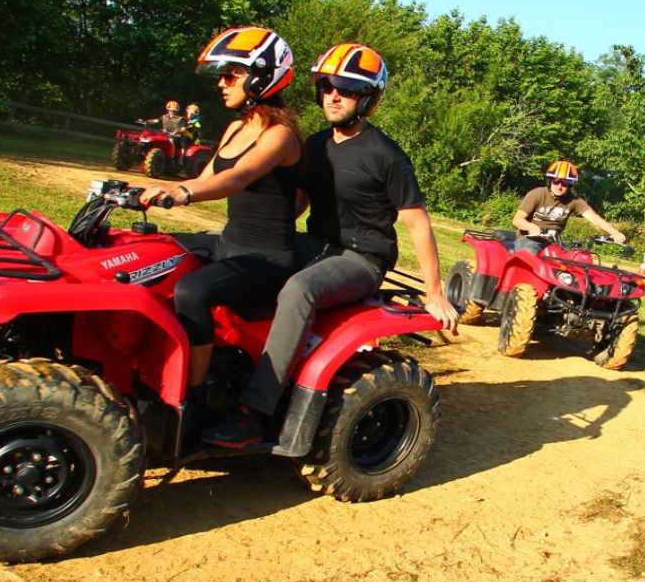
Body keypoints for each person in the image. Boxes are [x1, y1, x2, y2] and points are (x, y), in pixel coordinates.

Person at [201, 41, 459, 448]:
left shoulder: (386, 155)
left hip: (361, 259)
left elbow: (418, 224)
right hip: (316, 244)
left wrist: (435, 293)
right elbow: (299, 200)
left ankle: (255, 411)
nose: (333, 95)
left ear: (369, 100)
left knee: (299, 290)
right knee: (233, 253)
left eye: (348, 88)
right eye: (326, 86)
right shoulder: (316, 144)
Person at [138, 26, 302, 435]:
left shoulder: (280, 135)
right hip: (230, 244)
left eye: (231, 74)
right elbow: (210, 176)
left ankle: (189, 405)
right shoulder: (234, 128)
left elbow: (236, 179)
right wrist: (157, 188)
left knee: (192, 291)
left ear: (263, 77)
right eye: (222, 74)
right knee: (151, 252)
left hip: (267, 257)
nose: (221, 82)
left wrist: (180, 193)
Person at [511, 159, 626, 254]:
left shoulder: (574, 201)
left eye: (565, 183)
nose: (559, 186)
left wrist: (614, 232)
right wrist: (532, 227)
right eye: (556, 181)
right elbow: (517, 220)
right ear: (550, 181)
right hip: (529, 240)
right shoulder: (537, 194)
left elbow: (594, 218)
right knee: (529, 257)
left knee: (576, 260)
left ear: (570, 185)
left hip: (553, 242)